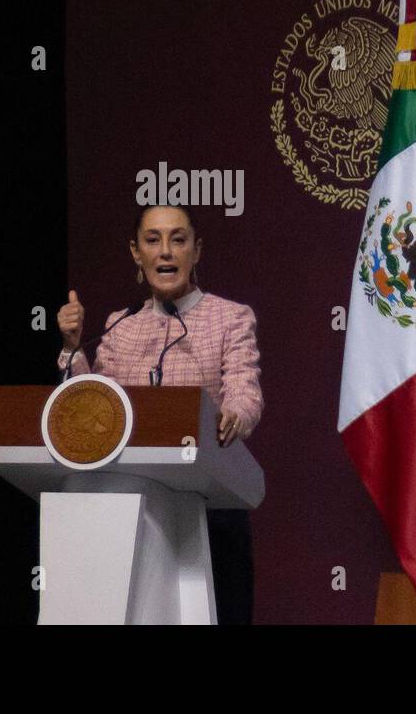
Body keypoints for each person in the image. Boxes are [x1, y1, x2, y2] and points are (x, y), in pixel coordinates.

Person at [55, 203, 262, 624]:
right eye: (153, 240)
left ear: (196, 251)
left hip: (210, 506)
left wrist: (235, 415)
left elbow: (244, 389)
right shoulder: (120, 325)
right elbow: (94, 404)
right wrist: (73, 346)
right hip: (134, 511)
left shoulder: (230, 317)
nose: (165, 251)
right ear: (136, 252)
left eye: (178, 239)